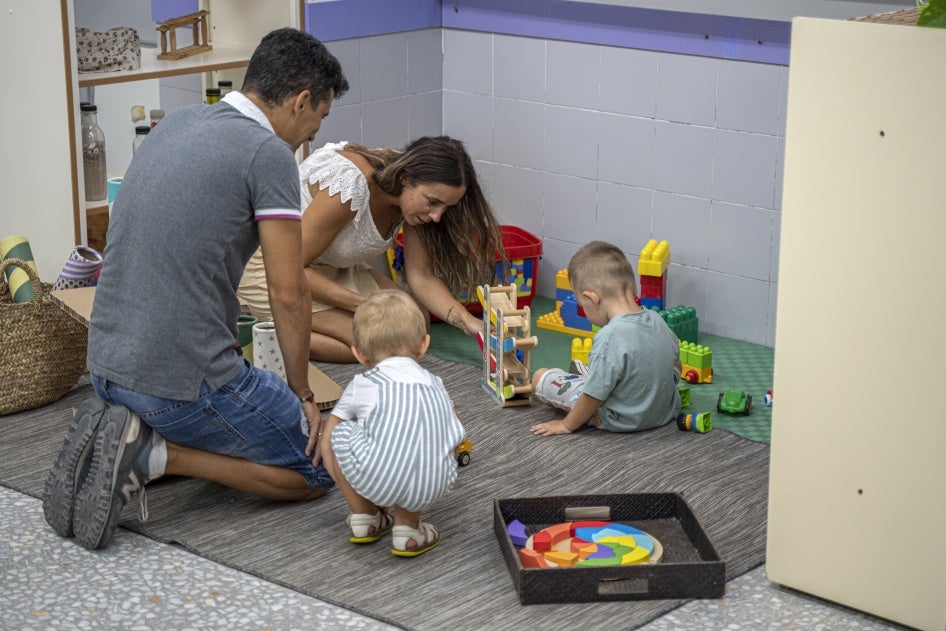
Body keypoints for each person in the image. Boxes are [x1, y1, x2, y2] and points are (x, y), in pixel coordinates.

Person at [42, 28, 349, 551]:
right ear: (300, 102)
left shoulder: (176, 122)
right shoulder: (267, 154)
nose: (308, 140)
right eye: (315, 124)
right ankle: (154, 454)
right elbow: (289, 291)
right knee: (320, 466)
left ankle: (123, 433)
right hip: (177, 383)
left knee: (254, 426)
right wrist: (302, 394)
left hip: (106, 367)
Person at [236, 136, 504, 363]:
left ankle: (296, 325)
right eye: (433, 203)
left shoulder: (413, 198)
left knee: (416, 322)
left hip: (329, 268)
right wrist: (366, 306)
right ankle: (271, 338)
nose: (437, 216)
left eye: (446, 207)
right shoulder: (349, 186)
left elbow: (421, 277)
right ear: (405, 178)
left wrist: (467, 321)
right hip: (273, 268)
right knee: (379, 346)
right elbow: (290, 267)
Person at [319, 290, 466, 557]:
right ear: (424, 345)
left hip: (376, 477)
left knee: (338, 433)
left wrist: (347, 477)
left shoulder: (362, 383)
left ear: (359, 354)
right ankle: (408, 530)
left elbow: (329, 439)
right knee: (425, 447)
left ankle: (365, 517)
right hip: (434, 482)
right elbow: (455, 429)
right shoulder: (436, 383)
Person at [529, 241, 681, 437]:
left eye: (582, 305)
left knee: (540, 376)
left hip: (616, 417)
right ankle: (596, 375)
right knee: (608, 374)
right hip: (664, 412)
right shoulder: (657, 319)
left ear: (593, 299)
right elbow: (676, 363)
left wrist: (566, 425)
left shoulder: (609, 337)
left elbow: (593, 397)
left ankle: (586, 377)